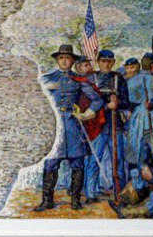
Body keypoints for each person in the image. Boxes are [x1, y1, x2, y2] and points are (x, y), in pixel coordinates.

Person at [35, 44, 103, 211]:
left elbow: (97, 100)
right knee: (50, 163)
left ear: (73, 61)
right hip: (54, 126)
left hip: (73, 126)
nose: (64, 61)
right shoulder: (46, 79)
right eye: (61, 58)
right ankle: (47, 201)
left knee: (77, 163)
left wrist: (87, 114)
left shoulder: (79, 79)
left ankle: (75, 200)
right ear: (57, 60)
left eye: (68, 58)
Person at [84, 49, 130, 203]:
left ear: (113, 62)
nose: (106, 64)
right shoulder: (91, 79)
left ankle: (119, 194)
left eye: (110, 62)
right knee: (94, 161)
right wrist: (106, 106)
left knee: (118, 162)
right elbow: (87, 103)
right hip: (97, 127)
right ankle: (90, 194)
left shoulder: (119, 79)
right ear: (98, 62)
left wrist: (117, 103)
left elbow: (126, 102)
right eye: (104, 61)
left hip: (116, 126)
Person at [123, 56, 153, 197]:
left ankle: (141, 186)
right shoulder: (128, 80)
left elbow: (149, 98)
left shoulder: (142, 79)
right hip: (137, 115)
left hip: (143, 116)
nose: (130, 70)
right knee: (135, 148)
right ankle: (136, 186)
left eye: (133, 67)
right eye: (128, 68)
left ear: (138, 67)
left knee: (140, 147)